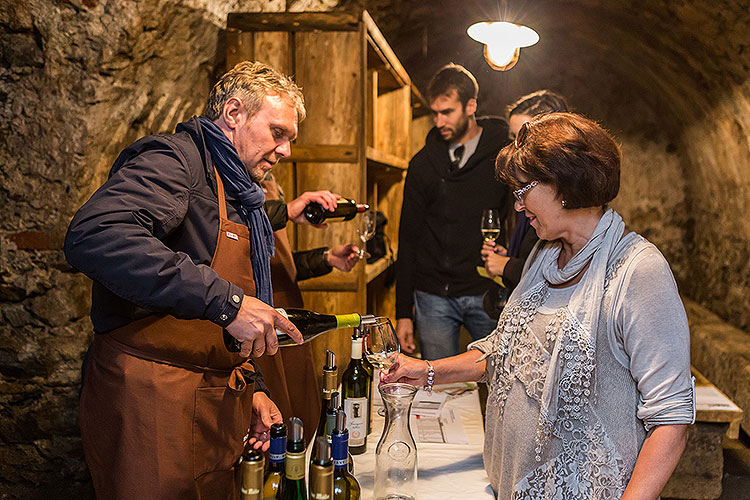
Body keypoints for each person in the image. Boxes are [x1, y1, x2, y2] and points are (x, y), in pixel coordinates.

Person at [64, 61, 339, 499]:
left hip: (211, 398)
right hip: (152, 400)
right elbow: (95, 233)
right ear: (233, 114)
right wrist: (227, 303)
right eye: (278, 133)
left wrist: (252, 384)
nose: (286, 150)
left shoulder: (235, 189)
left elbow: (230, 297)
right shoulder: (176, 160)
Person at [384, 113, 695, 500]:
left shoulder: (638, 270)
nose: (517, 206)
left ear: (565, 183)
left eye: (523, 190)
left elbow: (672, 420)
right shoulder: (543, 256)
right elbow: (506, 351)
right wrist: (427, 372)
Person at [395, 63, 512, 359]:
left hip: (486, 289)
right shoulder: (422, 164)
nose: (439, 121)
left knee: (501, 381)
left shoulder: (502, 156)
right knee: (439, 388)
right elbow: (408, 238)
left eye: (447, 112)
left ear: (470, 106)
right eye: (435, 113)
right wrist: (403, 312)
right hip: (433, 296)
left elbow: (521, 218)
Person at [481, 90, 569, 317]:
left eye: (523, 138)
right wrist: (510, 255)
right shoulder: (529, 188)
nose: (515, 147)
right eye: (513, 138)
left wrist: (506, 266)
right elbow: (538, 255)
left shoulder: (562, 198)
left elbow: (563, 274)